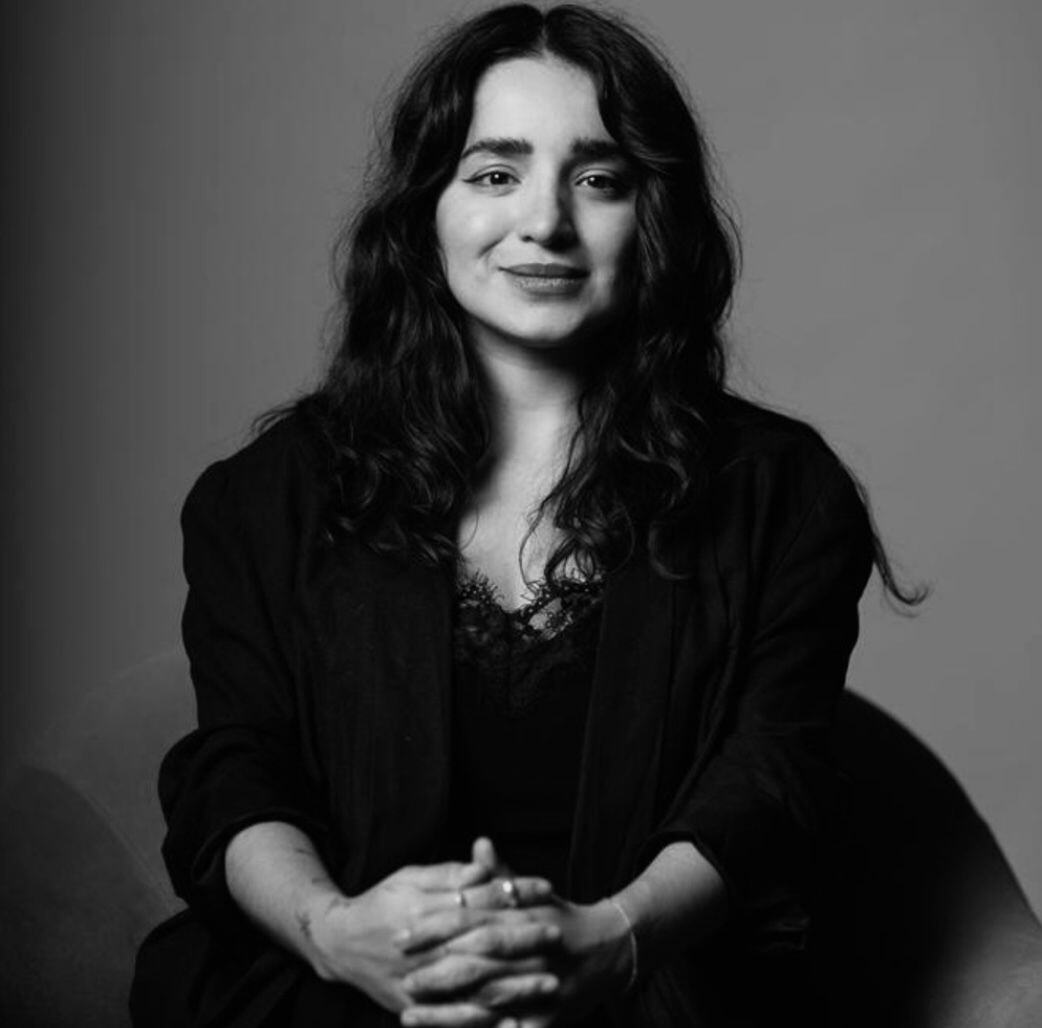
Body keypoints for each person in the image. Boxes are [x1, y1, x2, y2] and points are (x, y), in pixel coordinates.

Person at [131, 3, 921, 1026]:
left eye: (598, 180)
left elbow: (774, 777)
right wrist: (336, 930)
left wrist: (617, 937)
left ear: (655, 215)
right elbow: (233, 770)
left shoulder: (780, 493)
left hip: (656, 987)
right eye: (495, 174)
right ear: (427, 209)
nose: (545, 222)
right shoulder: (265, 497)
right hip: (334, 988)